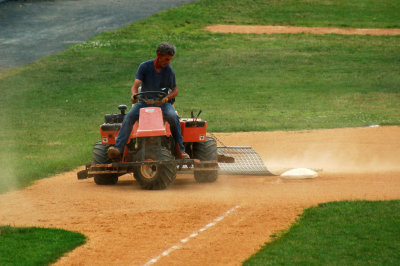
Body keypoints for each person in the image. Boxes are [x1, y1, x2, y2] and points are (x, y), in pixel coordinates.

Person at [107, 42, 189, 160]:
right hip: (144, 102)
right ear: (158, 55)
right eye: (166, 59)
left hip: (162, 104)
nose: (168, 62)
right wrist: (134, 95)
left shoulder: (169, 70)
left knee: (173, 117)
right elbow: (135, 86)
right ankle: (118, 148)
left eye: (170, 59)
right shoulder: (144, 67)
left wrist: (167, 98)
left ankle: (181, 150)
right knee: (129, 116)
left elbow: (175, 91)